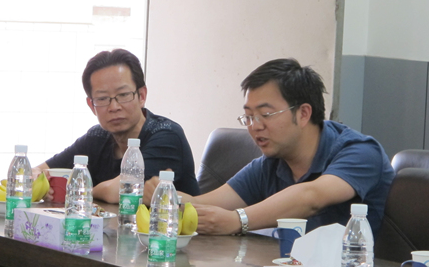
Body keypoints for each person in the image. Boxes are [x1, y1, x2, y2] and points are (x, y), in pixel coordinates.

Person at [144, 58, 394, 238]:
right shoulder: (271, 163)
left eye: (265, 114)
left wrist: (238, 220)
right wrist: (168, 197)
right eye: (249, 117)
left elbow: (311, 197)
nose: (255, 126)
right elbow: (209, 203)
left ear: (303, 113)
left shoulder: (360, 152)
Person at [33, 48, 200, 202]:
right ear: (91, 105)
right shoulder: (97, 136)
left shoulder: (167, 136)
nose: (114, 107)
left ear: (141, 96)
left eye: (123, 95)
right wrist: (40, 181)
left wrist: (76, 191)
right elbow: (40, 171)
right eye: (102, 98)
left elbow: (118, 190)